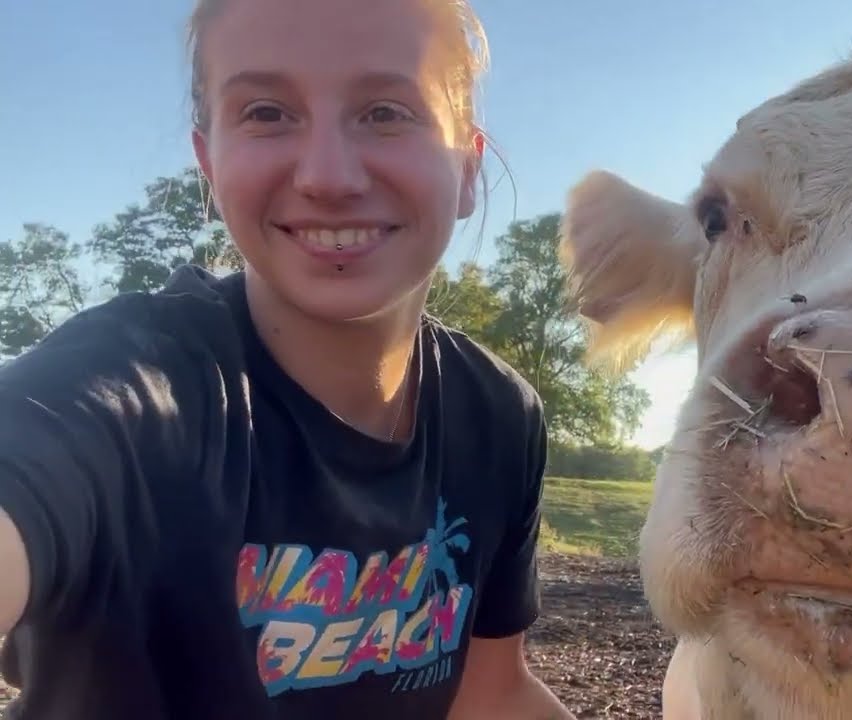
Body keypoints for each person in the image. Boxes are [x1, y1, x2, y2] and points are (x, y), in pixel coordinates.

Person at [0, 0, 576, 717]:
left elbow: (492, 692)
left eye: (387, 112)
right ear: (210, 162)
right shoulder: (132, 389)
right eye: (268, 113)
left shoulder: (496, 416)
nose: (328, 177)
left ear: (466, 168)